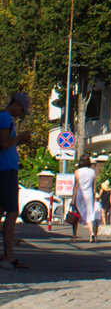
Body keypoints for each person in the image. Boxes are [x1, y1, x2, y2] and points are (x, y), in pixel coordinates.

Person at [0, 93, 31, 270]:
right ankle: (8, 257)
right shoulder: (5, 118)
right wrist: (21, 137)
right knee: (12, 213)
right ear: (16, 104)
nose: (21, 114)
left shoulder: (4, 118)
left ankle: (5, 255)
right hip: (5, 172)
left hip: (4, 171)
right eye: (22, 110)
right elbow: (5, 143)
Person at [71, 155, 96, 242]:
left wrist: (73, 199)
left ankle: (74, 235)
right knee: (89, 215)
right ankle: (91, 233)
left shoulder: (77, 172)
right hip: (89, 195)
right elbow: (94, 187)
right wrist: (94, 199)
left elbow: (76, 186)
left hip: (80, 195)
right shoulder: (92, 172)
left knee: (76, 215)